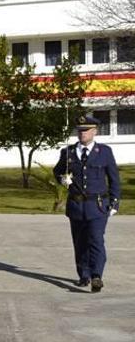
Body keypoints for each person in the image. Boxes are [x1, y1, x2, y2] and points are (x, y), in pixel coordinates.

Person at [53, 115, 121, 292]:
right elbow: (57, 171)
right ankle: (84, 275)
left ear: (94, 132)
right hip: (76, 206)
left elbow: (114, 178)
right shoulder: (67, 152)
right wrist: (63, 179)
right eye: (80, 130)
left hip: (98, 206)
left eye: (86, 130)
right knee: (80, 242)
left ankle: (97, 275)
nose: (82, 134)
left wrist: (115, 202)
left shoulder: (104, 152)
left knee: (96, 240)